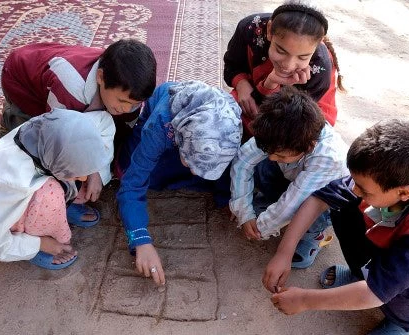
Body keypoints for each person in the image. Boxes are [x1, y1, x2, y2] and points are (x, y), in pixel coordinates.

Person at [263, 120, 409, 334]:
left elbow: (377, 291)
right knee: (342, 205)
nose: (355, 189)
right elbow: (319, 199)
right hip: (400, 246)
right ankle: (361, 276)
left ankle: (402, 323)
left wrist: (305, 300)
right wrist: (284, 252)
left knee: (403, 284)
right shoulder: (384, 178)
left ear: (403, 193)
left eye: (364, 189)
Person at [0, 39, 157, 226]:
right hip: (20, 82)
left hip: (53, 69)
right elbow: (58, 142)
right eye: (122, 101)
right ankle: (13, 115)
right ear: (100, 77)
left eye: (135, 104)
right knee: (42, 149)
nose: (127, 108)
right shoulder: (70, 89)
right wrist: (91, 172)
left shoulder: (128, 93)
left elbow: (122, 134)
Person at [116, 80, 242, 286]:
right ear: (180, 141)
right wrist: (141, 240)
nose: (196, 171)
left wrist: (228, 199)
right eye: (192, 163)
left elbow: (229, 167)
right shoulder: (159, 127)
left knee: (210, 175)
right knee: (133, 172)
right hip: (161, 122)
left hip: (195, 132)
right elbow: (132, 185)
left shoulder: (230, 128)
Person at [0, 109, 115, 269]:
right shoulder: (12, 184)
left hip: (47, 175)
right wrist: (39, 244)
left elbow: (104, 121)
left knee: (76, 174)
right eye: (78, 175)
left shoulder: (61, 130)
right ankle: (37, 234)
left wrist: (95, 171)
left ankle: (62, 209)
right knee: (50, 195)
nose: (83, 178)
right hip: (13, 210)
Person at [230, 86, 348, 269]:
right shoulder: (277, 129)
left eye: (281, 155)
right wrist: (244, 211)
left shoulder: (329, 158)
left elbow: (292, 204)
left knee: (309, 209)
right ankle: (269, 202)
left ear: (309, 147)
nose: (272, 157)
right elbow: (243, 161)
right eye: (271, 151)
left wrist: (260, 228)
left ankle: (314, 235)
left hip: (324, 202)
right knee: (263, 165)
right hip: (294, 179)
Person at [223, 1, 345, 141]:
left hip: (299, 117)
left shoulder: (319, 68)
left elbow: (286, 121)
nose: (288, 65)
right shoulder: (250, 29)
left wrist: (271, 83)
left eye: (303, 57)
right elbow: (232, 64)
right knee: (220, 116)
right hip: (253, 93)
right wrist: (241, 84)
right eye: (281, 51)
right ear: (269, 31)